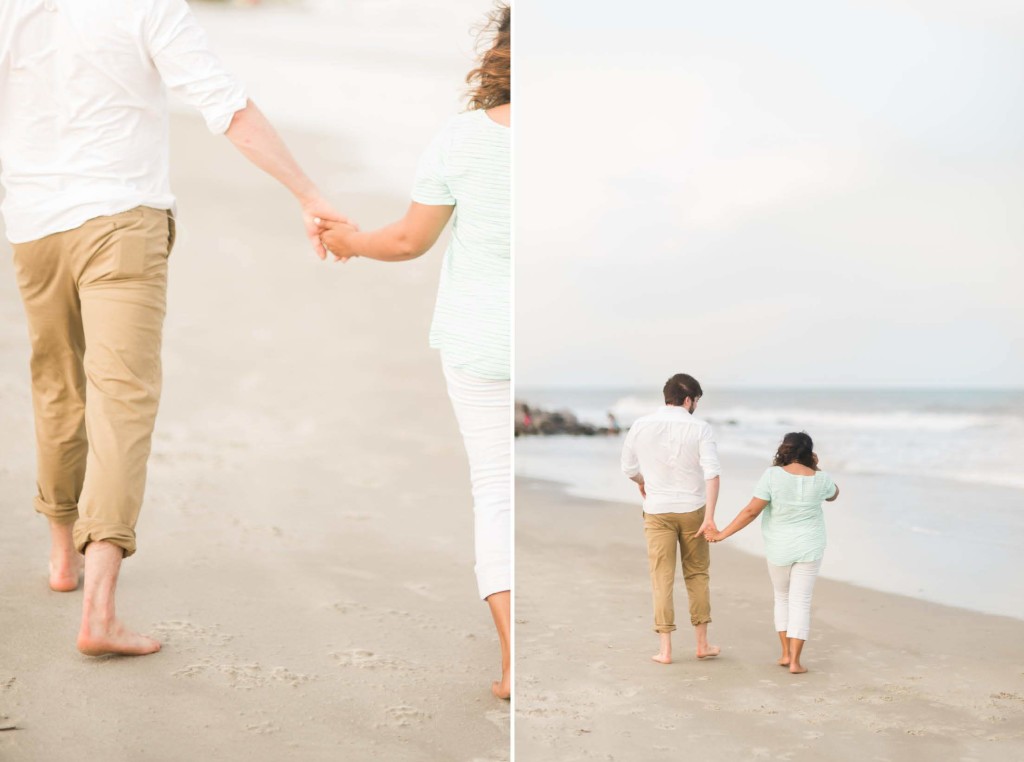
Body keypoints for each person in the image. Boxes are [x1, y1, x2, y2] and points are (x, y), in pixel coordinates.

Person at [0, 0, 344, 656]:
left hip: (33, 226)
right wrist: (308, 194)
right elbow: (228, 107)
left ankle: (60, 559)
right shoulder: (147, 6)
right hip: (122, 220)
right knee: (121, 403)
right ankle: (99, 612)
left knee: (56, 387)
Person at [316, 5, 511, 699]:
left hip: (482, 341)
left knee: (497, 492)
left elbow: (408, 240)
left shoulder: (464, 138)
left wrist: (345, 241)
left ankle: (516, 662)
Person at [706, 432, 840, 674]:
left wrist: (722, 534)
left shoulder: (772, 476)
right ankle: (796, 662)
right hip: (810, 547)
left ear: (784, 450)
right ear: (809, 453)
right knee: (801, 601)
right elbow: (834, 494)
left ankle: (785, 654)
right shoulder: (821, 479)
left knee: (782, 597)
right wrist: (816, 467)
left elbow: (750, 511)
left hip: (779, 547)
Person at [620, 373, 722, 664]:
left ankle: (665, 650)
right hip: (693, 510)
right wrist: (710, 517)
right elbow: (712, 473)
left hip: (657, 510)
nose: (696, 407)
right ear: (689, 399)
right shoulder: (700, 428)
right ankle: (702, 645)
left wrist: (643, 481)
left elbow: (628, 467)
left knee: (661, 577)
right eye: (696, 401)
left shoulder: (640, 425)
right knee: (697, 574)